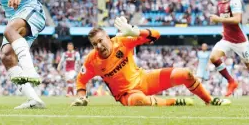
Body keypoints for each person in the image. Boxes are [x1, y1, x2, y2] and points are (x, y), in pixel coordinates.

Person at [71, 16, 230, 107]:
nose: (98, 46)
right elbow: (81, 80)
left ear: (107, 37)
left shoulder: (122, 41)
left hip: (144, 79)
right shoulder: (92, 60)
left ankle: (210, 101)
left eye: (100, 40)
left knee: (186, 73)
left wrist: (135, 31)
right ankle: (175, 102)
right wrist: (82, 97)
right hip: (127, 94)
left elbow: (156, 34)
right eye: (94, 44)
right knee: (140, 101)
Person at [209, 0, 249, 96]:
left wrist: (218, 19)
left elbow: (237, 19)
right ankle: (231, 81)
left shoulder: (234, 1)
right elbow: (227, 22)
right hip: (227, 39)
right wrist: (223, 31)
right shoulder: (220, 4)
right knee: (214, 57)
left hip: (240, 41)